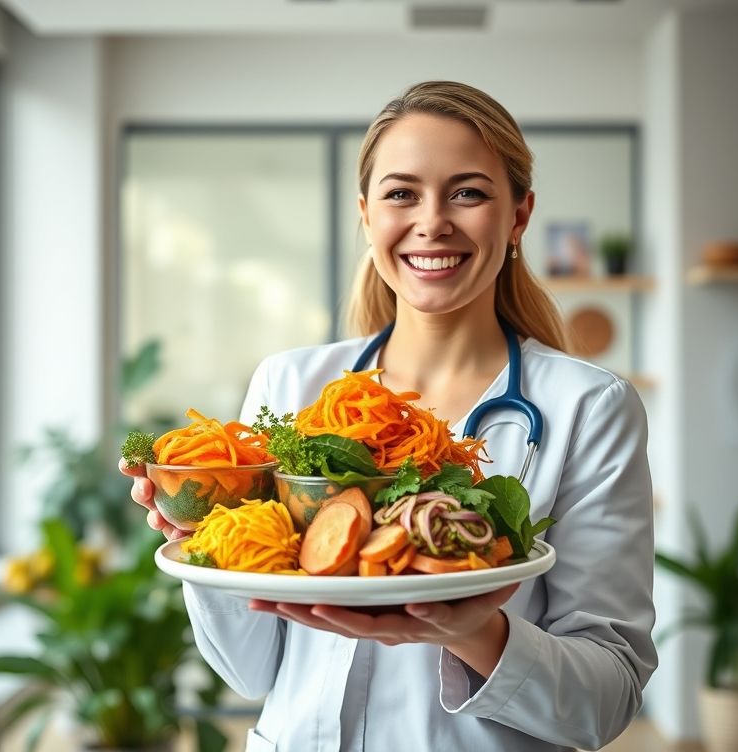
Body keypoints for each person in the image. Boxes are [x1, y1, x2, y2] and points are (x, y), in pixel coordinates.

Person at [121, 80, 657, 751]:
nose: (432, 221)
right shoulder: (288, 384)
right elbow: (248, 672)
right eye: (402, 193)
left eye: (468, 192)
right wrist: (206, 533)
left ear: (519, 215)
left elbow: (605, 700)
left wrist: (469, 630)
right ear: (367, 214)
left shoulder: (589, 408)